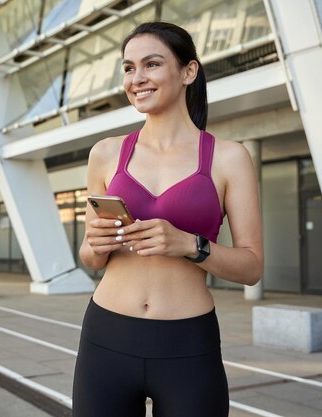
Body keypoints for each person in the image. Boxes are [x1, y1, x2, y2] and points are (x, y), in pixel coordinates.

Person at [72, 21, 263, 417]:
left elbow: (252, 267)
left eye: (151, 64)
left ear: (188, 72)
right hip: (106, 335)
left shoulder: (229, 157)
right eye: (128, 68)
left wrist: (190, 245)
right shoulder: (105, 154)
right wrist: (95, 244)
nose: (136, 78)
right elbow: (90, 258)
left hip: (187, 343)